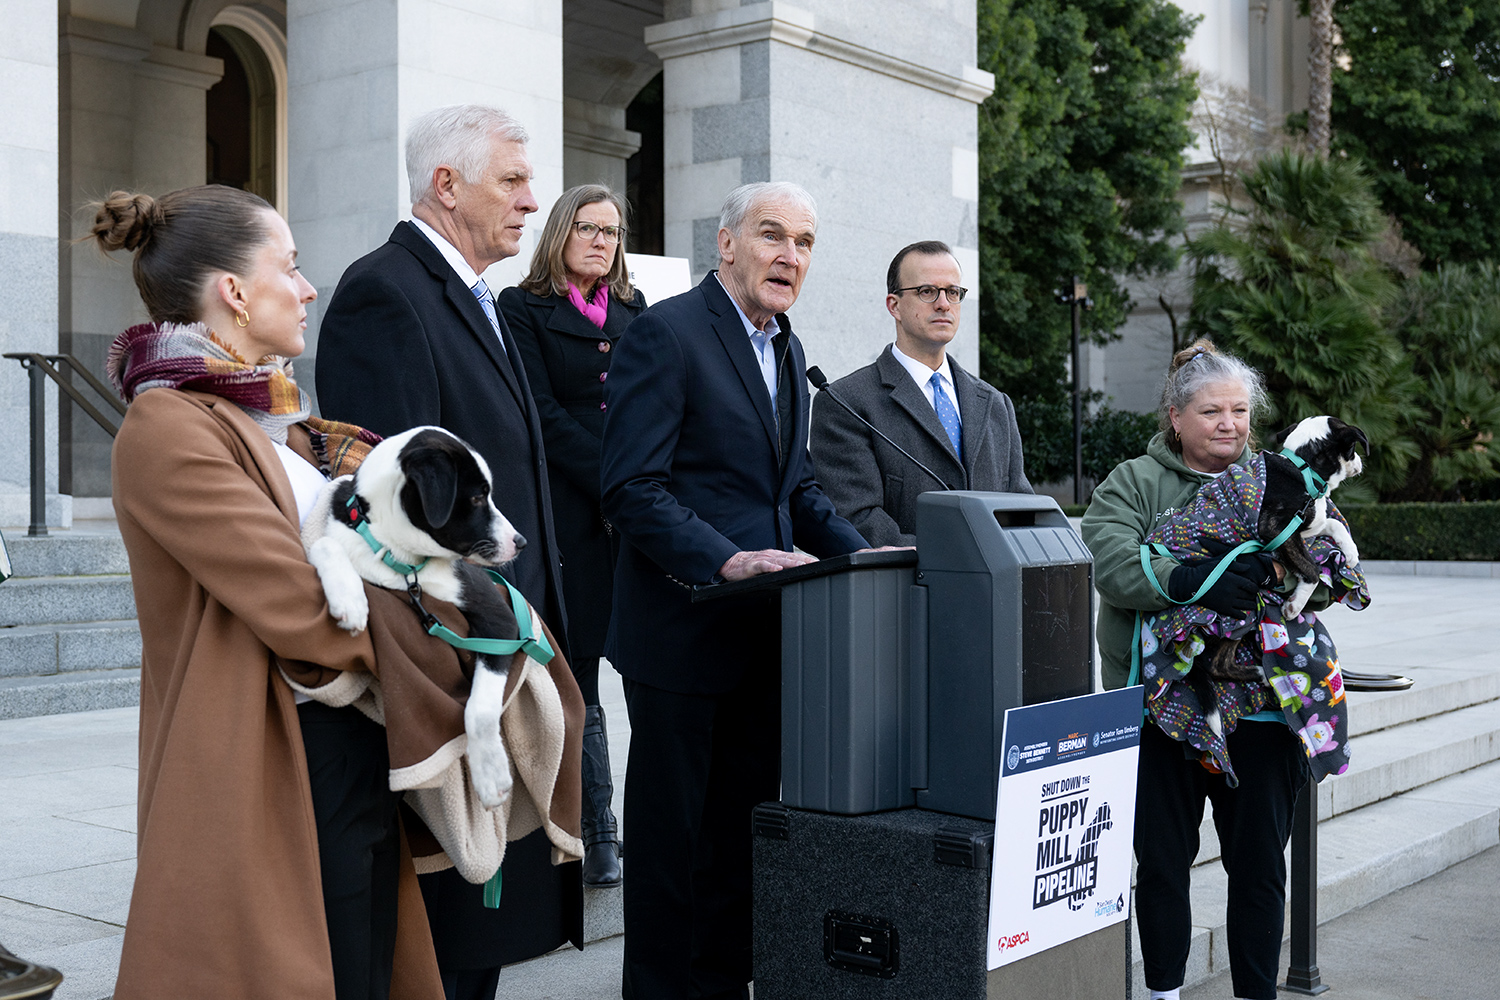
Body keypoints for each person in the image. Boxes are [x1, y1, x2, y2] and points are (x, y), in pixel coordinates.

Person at [94, 184, 448, 1000]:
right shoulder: (170, 425)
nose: (308, 286)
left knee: (362, 963)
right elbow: (303, 610)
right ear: (234, 292)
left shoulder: (276, 419)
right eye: (290, 266)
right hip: (267, 759)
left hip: (337, 742)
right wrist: (444, 636)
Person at [315, 105, 581, 1000]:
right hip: (451, 669)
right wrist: (458, 667)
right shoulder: (385, 291)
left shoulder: (481, 297)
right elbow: (396, 520)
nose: (531, 201)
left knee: (484, 943)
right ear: (447, 185)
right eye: (510, 180)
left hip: (500, 650)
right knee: (445, 948)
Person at [600, 180, 870, 1000]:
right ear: (727, 244)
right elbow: (632, 488)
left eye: (806, 242)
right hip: (682, 636)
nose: (791, 255)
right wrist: (726, 560)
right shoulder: (667, 334)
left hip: (766, 641)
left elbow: (798, 496)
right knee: (673, 850)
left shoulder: (787, 346)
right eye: (772, 235)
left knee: (741, 844)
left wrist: (872, 562)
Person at [1081, 340, 1322, 1000]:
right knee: (1160, 864)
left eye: (1240, 411)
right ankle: (1163, 993)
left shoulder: (1282, 481)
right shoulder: (1131, 482)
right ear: (1175, 415)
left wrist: (1290, 570)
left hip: (1262, 711)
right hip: (1160, 707)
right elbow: (1113, 565)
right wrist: (1193, 578)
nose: (1229, 424)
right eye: (1212, 410)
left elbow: (1323, 570)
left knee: (1258, 869)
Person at [497, 184, 646, 888]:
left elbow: (650, 405)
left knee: (650, 676)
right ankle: (599, 831)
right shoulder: (522, 307)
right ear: (560, 232)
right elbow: (540, 414)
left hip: (637, 516)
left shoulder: (636, 310)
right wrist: (616, 475)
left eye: (612, 232)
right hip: (571, 514)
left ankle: (650, 822)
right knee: (579, 679)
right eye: (588, 228)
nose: (600, 241)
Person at [809, 240, 1030, 545]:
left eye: (953, 292)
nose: (943, 303)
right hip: (903, 587)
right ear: (894, 305)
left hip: (995, 587)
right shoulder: (846, 403)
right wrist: (950, 560)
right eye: (927, 292)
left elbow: (1022, 509)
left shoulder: (995, 404)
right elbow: (856, 517)